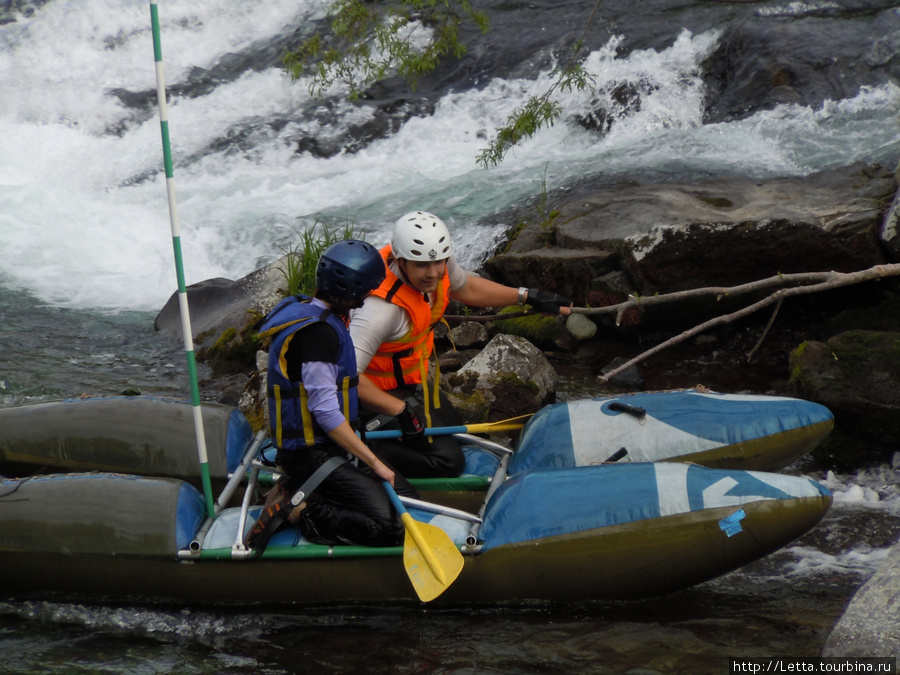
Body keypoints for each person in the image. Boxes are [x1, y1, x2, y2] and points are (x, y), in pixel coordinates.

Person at [349, 210, 572, 479]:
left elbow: (465, 287)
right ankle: (362, 450)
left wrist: (528, 296)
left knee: (457, 433)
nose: (433, 274)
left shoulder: (435, 261)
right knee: (448, 462)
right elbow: (347, 374)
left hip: (411, 382)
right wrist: (400, 411)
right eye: (421, 266)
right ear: (400, 260)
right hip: (372, 395)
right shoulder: (378, 311)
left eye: (439, 263)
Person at [251, 239, 417, 550]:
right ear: (353, 292)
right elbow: (325, 411)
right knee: (392, 527)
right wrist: (374, 462)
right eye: (367, 291)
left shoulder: (311, 310)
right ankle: (300, 509)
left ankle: (315, 493)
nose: (368, 297)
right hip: (309, 455)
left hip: (332, 447)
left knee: (408, 501)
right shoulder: (318, 335)